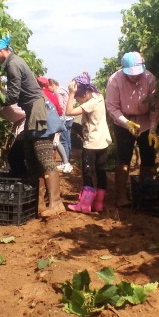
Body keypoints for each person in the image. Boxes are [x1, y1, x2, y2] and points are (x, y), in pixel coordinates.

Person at [0, 36, 65, 217]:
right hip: (32, 112)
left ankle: (56, 203)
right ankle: (37, 205)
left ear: (0, 51)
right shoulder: (13, 63)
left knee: (43, 155)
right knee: (30, 158)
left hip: (39, 111)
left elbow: (13, 96)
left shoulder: (13, 64)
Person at [105, 51, 159, 207]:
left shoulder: (150, 79)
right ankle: (121, 197)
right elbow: (112, 106)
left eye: (138, 73)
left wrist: (152, 129)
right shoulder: (114, 81)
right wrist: (125, 122)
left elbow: (155, 107)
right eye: (131, 74)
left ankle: (145, 194)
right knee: (123, 159)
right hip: (124, 121)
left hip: (145, 121)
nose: (135, 77)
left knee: (148, 159)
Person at [64, 73, 111, 213]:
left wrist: (71, 93)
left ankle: (84, 205)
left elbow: (69, 111)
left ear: (83, 94)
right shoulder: (98, 96)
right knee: (101, 172)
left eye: (78, 97)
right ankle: (99, 204)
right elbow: (89, 88)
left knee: (88, 173)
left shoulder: (90, 104)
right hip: (103, 140)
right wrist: (85, 78)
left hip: (91, 143)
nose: (78, 100)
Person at [37, 76, 72, 173]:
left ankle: (65, 163)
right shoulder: (51, 94)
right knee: (56, 141)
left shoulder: (40, 94)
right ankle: (65, 163)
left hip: (49, 121)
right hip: (57, 119)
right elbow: (59, 109)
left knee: (55, 142)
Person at [49, 78, 74, 169]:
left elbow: (59, 104)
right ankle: (68, 161)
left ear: (53, 85)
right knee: (68, 140)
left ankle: (65, 162)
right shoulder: (64, 90)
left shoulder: (57, 92)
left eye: (49, 86)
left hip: (64, 118)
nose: (49, 89)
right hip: (70, 118)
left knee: (63, 140)